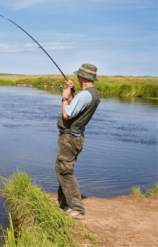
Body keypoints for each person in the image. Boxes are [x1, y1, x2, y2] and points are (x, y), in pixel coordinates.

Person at [55, 63, 100, 220]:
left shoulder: (85, 95)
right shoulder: (91, 93)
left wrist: (65, 96)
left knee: (65, 170)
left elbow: (67, 114)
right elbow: (76, 108)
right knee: (62, 167)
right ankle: (63, 201)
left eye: (78, 75)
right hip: (74, 137)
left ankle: (77, 208)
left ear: (82, 77)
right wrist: (72, 91)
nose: (77, 77)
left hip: (70, 138)